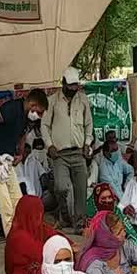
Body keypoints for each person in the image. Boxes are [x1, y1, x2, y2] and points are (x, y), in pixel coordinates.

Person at [0, 88, 49, 234]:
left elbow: (23, 134)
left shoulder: (27, 118)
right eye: (39, 111)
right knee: (6, 205)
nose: (39, 116)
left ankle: (23, 233)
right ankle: (12, 240)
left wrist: (20, 152)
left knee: (18, 200)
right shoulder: (12, 109)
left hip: (7, 160)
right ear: (32, 104)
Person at [42, 67, 94, 233]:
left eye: (75, 86)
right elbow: (44, 125)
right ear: (63, 83)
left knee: (81, 188)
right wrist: (49, 145)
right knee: (61, 187)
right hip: (59, 154)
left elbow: (88, 124)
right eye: (70, 85)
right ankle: (64, 216)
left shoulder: (83, 100)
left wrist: (87, 142)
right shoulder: (52, 101)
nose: (73, 89)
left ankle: (79, 223)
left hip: (78, 152)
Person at [87, 182, 137, 247]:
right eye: (103, 198)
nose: (107, 201)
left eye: (109, 197)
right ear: (96, 199)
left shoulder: (116, 211)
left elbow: (131, 232)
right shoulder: (89, 212)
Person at [98, 132, 133, 199]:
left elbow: (131, 170)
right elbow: (114, 191)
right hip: (113, 199)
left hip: (123, 194)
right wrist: (125, 203)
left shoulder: (118, 161)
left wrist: (126, 186)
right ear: (106, 153)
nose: (116, 152)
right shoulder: (104, 169)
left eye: (117, 150)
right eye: (113, 150)